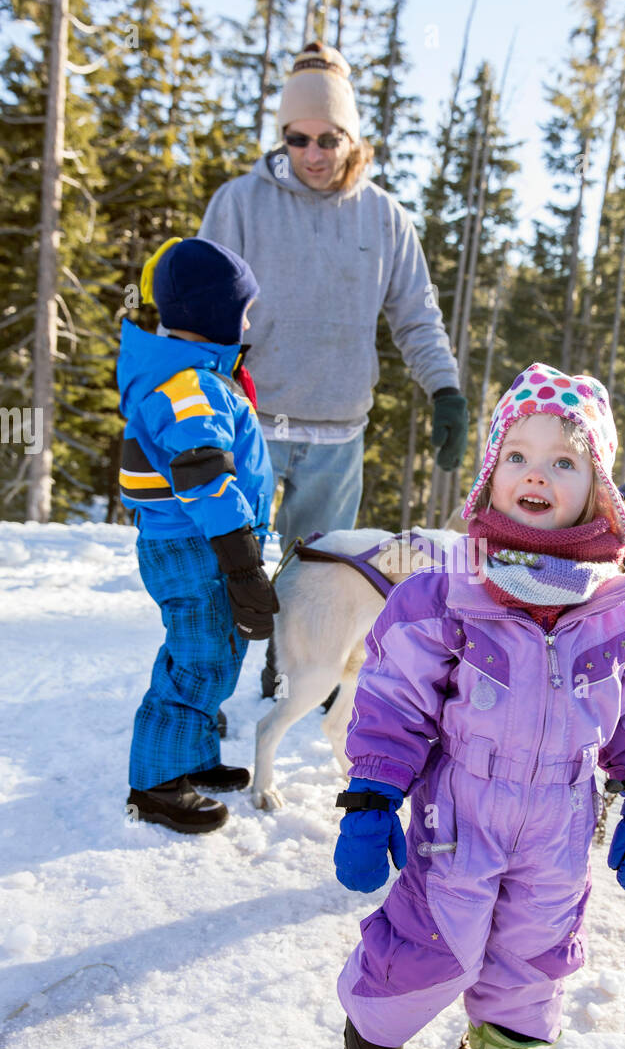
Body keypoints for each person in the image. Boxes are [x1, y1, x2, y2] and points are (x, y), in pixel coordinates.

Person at [332, 365, 625, 1049]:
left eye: (564, 460)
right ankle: (378, 1018)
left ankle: (508, 1045)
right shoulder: (449, 587)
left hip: (562, 816)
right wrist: (370, 794)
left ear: (599, 486)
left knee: (537, 940)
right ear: (492, 471)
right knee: (433, 929)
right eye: (517, 455)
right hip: (461, 809)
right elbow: (393, 696)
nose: (536, 475)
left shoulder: (619, 608)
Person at [197, 40, 469, 695]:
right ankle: (205, 687)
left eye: (329, 138)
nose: (314, 154)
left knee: (314, 571)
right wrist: (196, 399)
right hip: (251, 421)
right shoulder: (239, 204)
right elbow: (200, 308)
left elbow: (415, 317)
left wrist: (445, 389)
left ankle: (296, 675)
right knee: (228, 562)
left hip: (337, 434)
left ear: (354, 137)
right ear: (283, 136)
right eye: (299, 139)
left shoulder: (384, 218)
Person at [118, 237, 279, 835]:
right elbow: (204, 476)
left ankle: (192, 759)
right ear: (211, 314)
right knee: (198, 657)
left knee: (216, 652)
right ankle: (156, 784)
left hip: (203, 543)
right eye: (241, 310)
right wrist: (240, 564)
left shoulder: (200, 376)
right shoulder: (190, 387)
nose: (246, 323)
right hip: (196, 546)